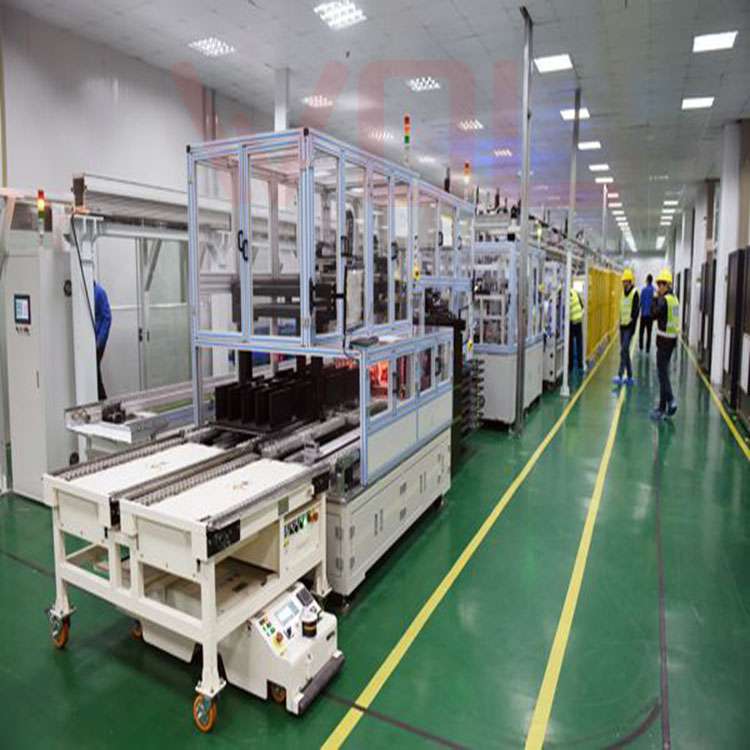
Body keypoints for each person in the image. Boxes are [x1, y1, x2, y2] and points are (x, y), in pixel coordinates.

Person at [650, 269, 680, 420]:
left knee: (662, 374)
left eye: (662, 284)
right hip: (672, 341)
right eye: (658, 284)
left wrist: (655, 299)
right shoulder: (674, 299)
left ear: (667, 285)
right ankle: (662, 407)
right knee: (663, 372)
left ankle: (671, 400)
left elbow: (653, 314)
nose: (659, 287)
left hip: (663, 341)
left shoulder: (663, 300)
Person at [613, 268, 639, 386]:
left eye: (625, 281)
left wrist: (631, 325)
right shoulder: (623, 293)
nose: (624, 283)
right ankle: (629, 376)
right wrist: (619, 322)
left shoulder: (635, 293)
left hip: (629, 327)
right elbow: (622, 308)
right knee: (625, 350)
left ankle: (620, 375)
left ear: (630, 281)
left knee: (623, 350)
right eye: (623, 281)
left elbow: (635, 312)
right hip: (622, 326)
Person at [94, 281, 112, 401]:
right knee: (95, 375)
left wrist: (100, 341)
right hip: (88, 343)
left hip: (97, 343)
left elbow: (107, 318)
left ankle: (103, 401)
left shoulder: (99, 292)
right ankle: (102, 402)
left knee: (94, 373)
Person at [568, 286, 584, 371]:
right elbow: (582, 306)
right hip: (579, 320)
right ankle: (580, 364)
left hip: (571, 322)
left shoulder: (564, 295)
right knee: (579, 343)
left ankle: (570, 365)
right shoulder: (575, 292)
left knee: (570, 344)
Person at [639, 273, 655, 353]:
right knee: (649, 333)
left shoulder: (643, 290)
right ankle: (647, 349)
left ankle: (641, 347)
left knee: (641, 332)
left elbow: (640, 302)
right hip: (650, 316)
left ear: (647, 280)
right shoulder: (654, 290)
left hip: (643, 315)